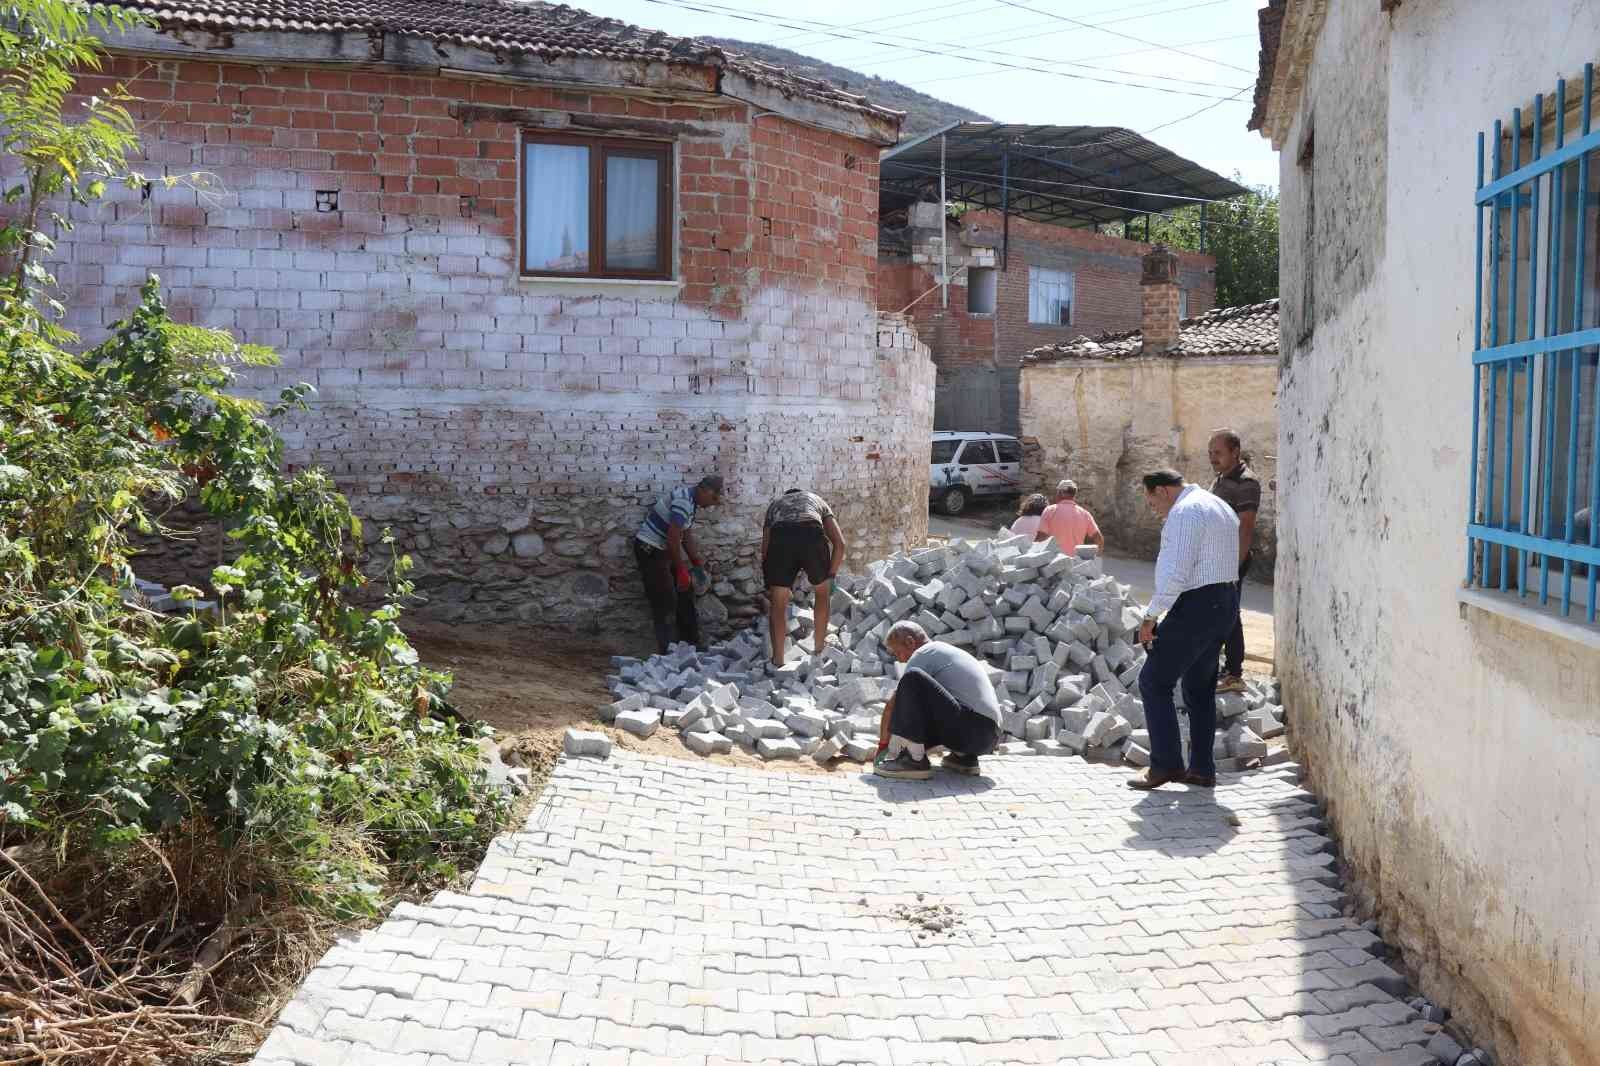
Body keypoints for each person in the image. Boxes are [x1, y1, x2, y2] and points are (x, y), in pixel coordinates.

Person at [1128, 468, 1240, 791]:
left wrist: (1151, 616)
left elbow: (1177, 571)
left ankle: (1165, 765)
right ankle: (1202, 769)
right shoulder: (1216, 504)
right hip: (1224, 602)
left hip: (1197, 606)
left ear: (1162, 491)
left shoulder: (1185, 512)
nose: (1155, 511)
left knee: (1153, 681)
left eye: (1152, 503)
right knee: (1198, 688)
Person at [874, 621, 1001, 780]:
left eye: (897, 652)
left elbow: (892, 706)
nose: (899, 660)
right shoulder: (943, 652)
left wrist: (883, 745)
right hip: (988, 737)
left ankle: (915, 761)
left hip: (974, 728)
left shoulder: (923, 653)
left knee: (911, 678)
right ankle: (964, 758)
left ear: (910, 642)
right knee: (922, 704)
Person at [633, 475, 722, 654]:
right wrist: (681, 570)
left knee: (685, 592)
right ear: (705, 490)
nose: (711, 505)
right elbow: (673, 539)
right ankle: (665, 652)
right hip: (649, 549)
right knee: (665, 599)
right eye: (713, 499)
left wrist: (696, 562)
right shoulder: (683, 502)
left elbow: (685, 535)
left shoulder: (691, 502)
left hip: (663, 549)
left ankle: (690, 644)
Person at [761, 488, 847, 666]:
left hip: (781, 537)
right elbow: (840, 544)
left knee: (778, 604)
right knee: (822, 594)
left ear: (787, 496)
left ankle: (778, 660)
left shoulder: (775, 506)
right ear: (801, 494)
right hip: (811, 534)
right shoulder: (817, 500)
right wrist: (831, 576)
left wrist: (772, 582)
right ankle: (819, 649)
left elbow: (766, 550)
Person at [1208, 430, 1262, 694]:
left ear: (1235, 452)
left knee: (1230, 613)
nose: (1212, 458)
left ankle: (1234, 673)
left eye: (1218, 453)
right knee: (1217, 611)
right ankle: (1222, 666)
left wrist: (1234, 566)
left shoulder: (1246, 482)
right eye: (1210, 453)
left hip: (1232, 560)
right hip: (1216, 558)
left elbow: (1246, 528)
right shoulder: (1221, 478)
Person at [1034, 479, 1104, 553]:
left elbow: (1041, 537)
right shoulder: (1085, 514)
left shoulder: (1050, 510)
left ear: (1061, 493)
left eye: (1057, 492)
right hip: (1075, 562)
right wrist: (1095, 557)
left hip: (1053, 561)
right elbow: (1098, 539)